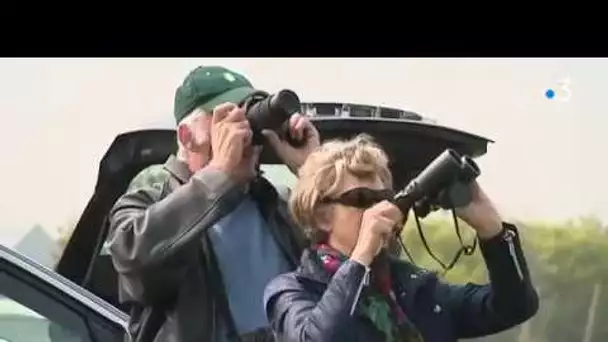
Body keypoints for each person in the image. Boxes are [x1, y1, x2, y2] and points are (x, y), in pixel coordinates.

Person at [106, 65, 321, 342]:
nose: (244, 129)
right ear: (186, 136)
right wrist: (219, 174)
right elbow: (131, 258)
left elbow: (359, 263)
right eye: (226, 117)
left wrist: (317, 172)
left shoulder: (276, 202)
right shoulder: (155, 193)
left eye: (248, 115)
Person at [263, 134, 539, 342]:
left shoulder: (414, 289)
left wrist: (494, 232)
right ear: (321, 216)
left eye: (383, 199)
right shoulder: (292, 290)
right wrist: (361, 257)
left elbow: (514, 307)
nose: (377, 209)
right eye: (361, 199)